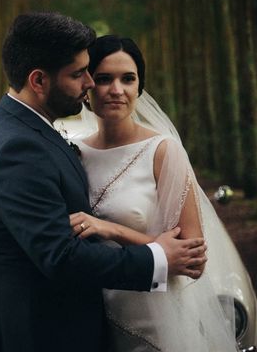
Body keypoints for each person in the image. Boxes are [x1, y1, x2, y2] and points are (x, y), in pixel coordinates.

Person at [0, 12, 207, 352]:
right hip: (40, 334)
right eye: (80, 74)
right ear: (38, 81)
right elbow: (62, 257)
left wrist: (117, 233)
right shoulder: (19, 147)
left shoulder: (26, 131)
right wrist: (156, 257)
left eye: (128, 79)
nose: (92, 84)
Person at [69, 35, 237, 351]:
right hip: (86, 321)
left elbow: (193, 260)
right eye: (104, 79)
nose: (116, 90)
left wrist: (113, 229)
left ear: (139, 88)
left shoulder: (162, 152)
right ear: (87, 85)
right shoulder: (72, 152)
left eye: (127, 79)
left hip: (150, 324)